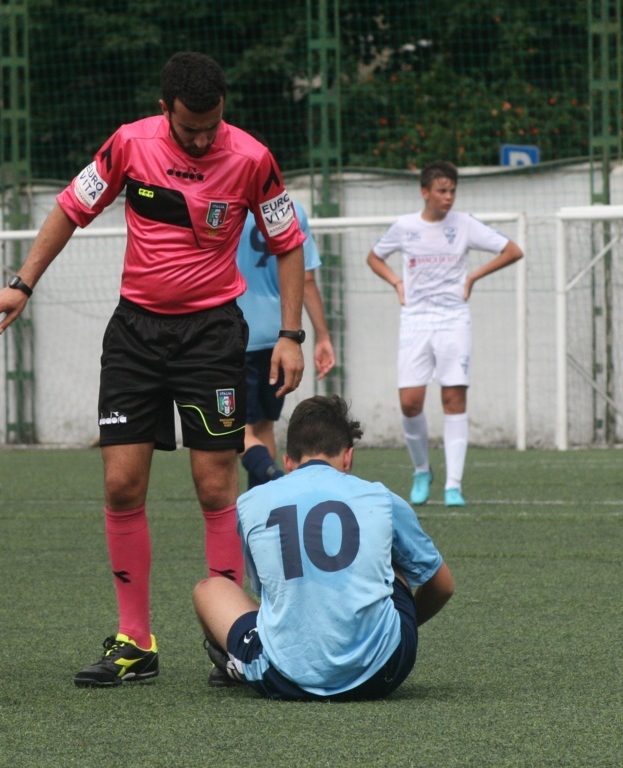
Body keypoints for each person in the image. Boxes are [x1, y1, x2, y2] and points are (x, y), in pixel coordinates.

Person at [0, 51, 307, 687]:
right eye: (189, 129)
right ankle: (135, 641)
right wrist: (22, 283)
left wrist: (291, 334)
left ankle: (234, 641)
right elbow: (70, 209)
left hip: (212, 334)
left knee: (214, 487)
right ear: (163, 110)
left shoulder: (252, 158)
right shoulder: (129, 144)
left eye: (211, 127)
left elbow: (288, 244)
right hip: (135, 335)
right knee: (122, 485)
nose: (202, 141)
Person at [193, 394, 455, 701]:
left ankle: (237, 663)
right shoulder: (382, 498)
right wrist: (401, 623)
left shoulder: (250, 503)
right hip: (383, 670)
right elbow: (443, 586)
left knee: (209, 590)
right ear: (348, 457)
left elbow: (268, 595)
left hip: (283, 677)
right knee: (394, 559)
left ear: (288, 463)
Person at [366, 161, 523, 507]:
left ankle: (453, 485)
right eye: (442, 190)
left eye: (452, 190)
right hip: (415, 320)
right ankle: (422, 470)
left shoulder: (464, 224)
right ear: (425, 192)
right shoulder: (405, 226)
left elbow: (513, 250)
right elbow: (374, 257)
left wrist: (473, 276)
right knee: (410, 402)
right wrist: (396, 282)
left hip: (453, 319)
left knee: (453, 398)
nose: (448, 197)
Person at [237, 195, 335, 489]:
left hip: (235, 335)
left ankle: (277, 479)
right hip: (281, 338)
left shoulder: (228, 207)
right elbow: (306, 280)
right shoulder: (293, 211)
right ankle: (266, 506)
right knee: (264, 425)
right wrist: (322, 336)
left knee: (235, 432)